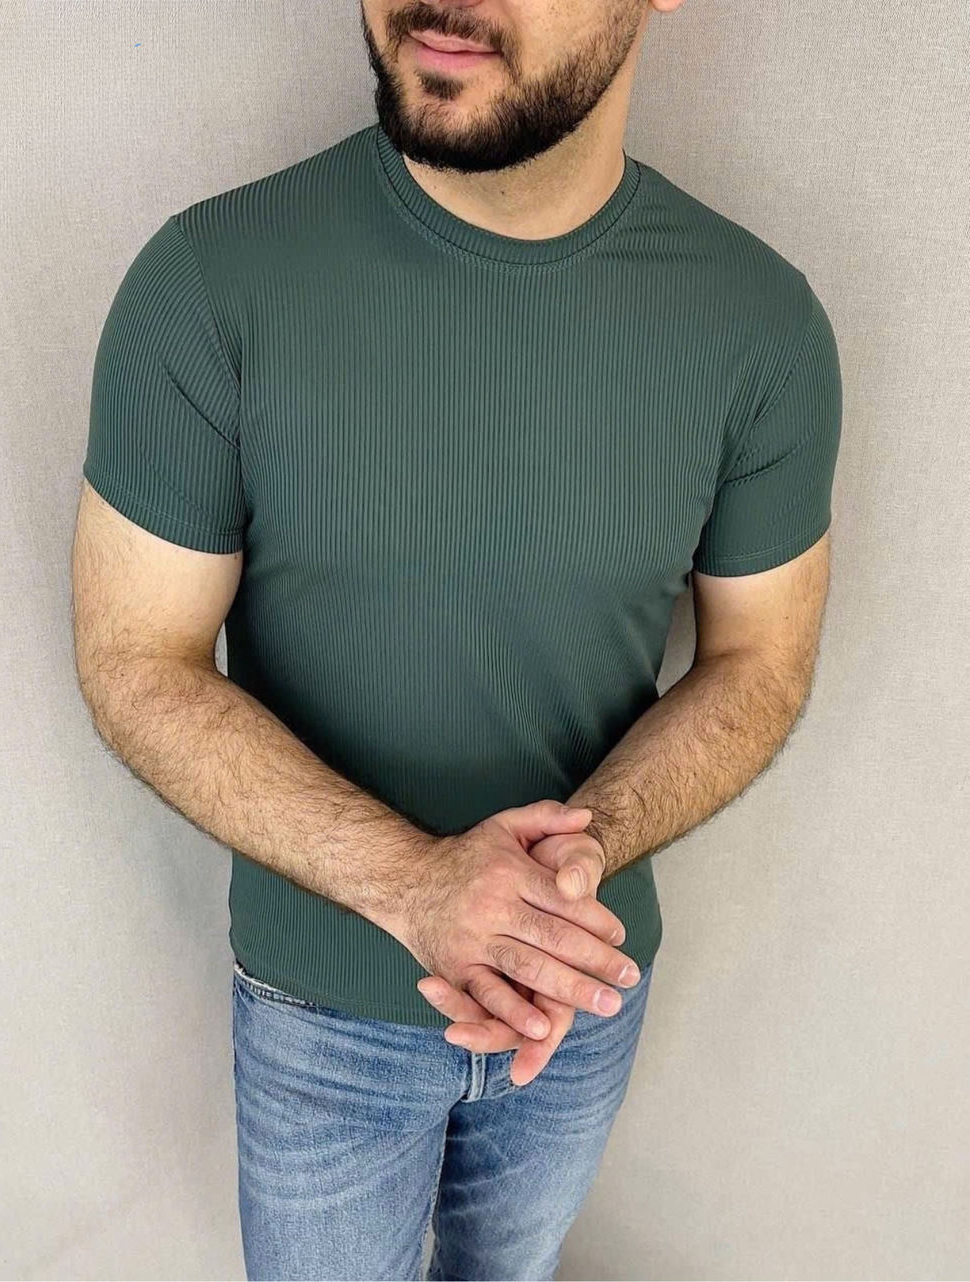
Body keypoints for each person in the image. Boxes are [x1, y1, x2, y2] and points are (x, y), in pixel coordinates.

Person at [70, 0, 843, 1277]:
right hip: (321, 1012)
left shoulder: (762, 328)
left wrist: (567, 876)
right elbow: (136, 658)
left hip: (578, 995)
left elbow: (759, 658)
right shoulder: (206, 284)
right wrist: (417, 887)